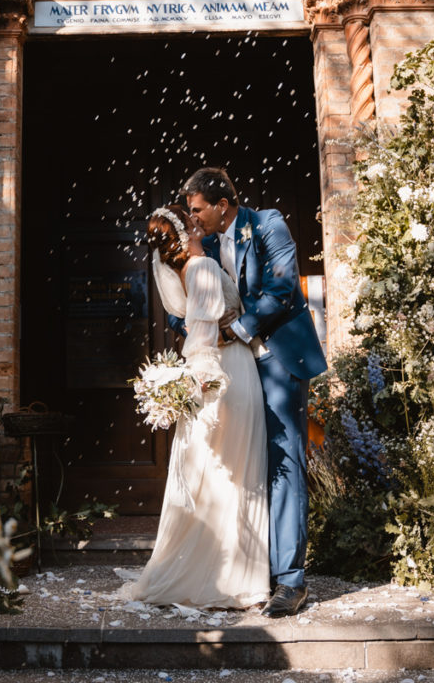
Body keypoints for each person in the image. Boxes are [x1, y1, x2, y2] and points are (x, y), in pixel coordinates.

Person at [180, 168, 328, 618]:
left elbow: (282, 288)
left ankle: (290, 581)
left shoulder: (267, 224)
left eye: (197, 209)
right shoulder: (201, 246)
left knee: (284, 460)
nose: (193, 218)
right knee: (245, 461)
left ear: (222, 205)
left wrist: (235, 330)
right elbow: (199, 303)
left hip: (278, 359)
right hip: (235, 369)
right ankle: (251, 569)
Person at [129, 205, 269, 609]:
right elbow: (203, 336)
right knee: (236, 474)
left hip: (211, 373)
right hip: (228, 373)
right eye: (191, 220)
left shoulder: (181, 272)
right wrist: (206, 385)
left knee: (214, 472)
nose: (199, 223)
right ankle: (235, 581)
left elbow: (190, 324)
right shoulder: (203, 266)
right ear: (186, 228)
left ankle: (218, 571)